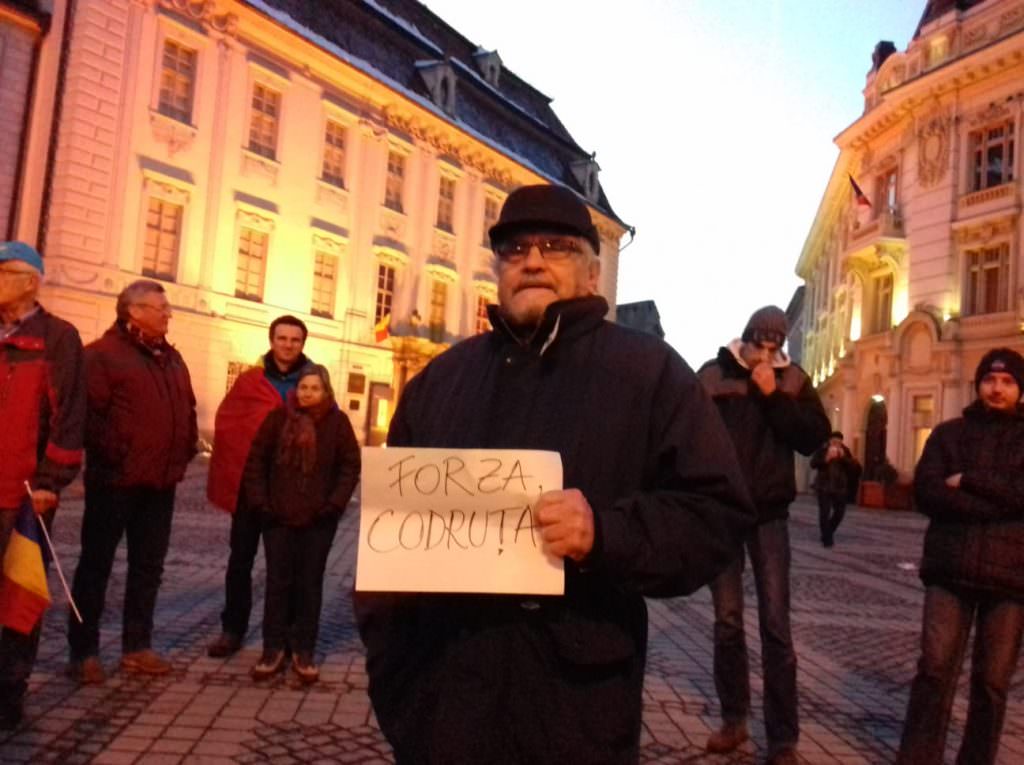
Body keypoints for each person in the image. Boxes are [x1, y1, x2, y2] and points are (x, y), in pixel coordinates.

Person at [355, 183, 755, 764]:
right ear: (498, 271)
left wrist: (605, 535)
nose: (533, 259)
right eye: (515, 249)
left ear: (593, 274)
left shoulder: (648, 374)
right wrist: (397, 680)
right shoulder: (440, 383)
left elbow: (715, 510)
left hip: (579, 712)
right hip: (443, 709)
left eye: (556, 246)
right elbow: (388, 547)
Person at [697, 306, 830, 765]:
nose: (767, 355)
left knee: (776, 625)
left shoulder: (793, 380)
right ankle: (734, 720)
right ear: (748, 338)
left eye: (776, 348)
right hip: (724, 513)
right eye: (761, 345)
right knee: (727, 622)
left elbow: (813, 437)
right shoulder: (712, 375)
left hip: (771, 514)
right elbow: (689, 434)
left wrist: (774, 397)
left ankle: (782, 740)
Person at [897, 348, 1024, 765]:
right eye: (990, 380)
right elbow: (928, 492)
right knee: (934, 672)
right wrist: (1000, 502)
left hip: (1010, 582)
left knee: (992, 683)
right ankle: (918, 758)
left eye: (1007, 382)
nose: (997, 389)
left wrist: (968, 481)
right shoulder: (949, 434)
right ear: (978, 385)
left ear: (1019, 389)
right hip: (950, 572)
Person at [67, 280, 197, 683]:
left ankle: (137, 646)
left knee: (148, 568)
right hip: (115, 480)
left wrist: (186, 446)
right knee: (96, 566)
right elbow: (88, 417)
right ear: (133, 311)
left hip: (161, 482)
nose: (168, 313)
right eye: (160, 307)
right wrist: (118, 452)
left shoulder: (172, 358)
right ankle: (83, 652)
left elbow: (187, 409)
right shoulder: (102, 356)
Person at [0, 242, 86, 729]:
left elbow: (69, 416)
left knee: (18, 598)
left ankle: (9, 695)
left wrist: (52, 481)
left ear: (30, 280)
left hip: (24, 496)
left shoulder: (57, 337)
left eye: (3, 271)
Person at [242, 364, 359, 683]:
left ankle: (303, 650)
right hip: (277, 516)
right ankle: (273, 648)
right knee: (278, 584)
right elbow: (256, 461)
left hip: (318, 520)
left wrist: (334, 504)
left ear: (326, 391)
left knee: (309, 585)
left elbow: (350, 465)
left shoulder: (338, 423)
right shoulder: (278, 418)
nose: (308, 393)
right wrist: (261, 504)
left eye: (315, 388)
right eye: (304, 387)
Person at [205, 315, 312, 658]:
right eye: (282, 338)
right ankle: (232, 629)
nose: (288, 345)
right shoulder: (251, 381)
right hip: (250, 489)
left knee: (287, 567)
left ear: (302, 344)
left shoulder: (312, 383)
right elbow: (229, 422)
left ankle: (284, 636)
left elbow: (327, 428)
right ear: (272, 340)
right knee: (241, 562)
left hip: (290, 491)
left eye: (295, 340)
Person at [810, 430, 860, 547]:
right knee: (824, 513)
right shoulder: (822, 450)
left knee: (839, 513)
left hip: (839, 487)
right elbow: (813, 463)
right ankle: (827, 539)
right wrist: (826, 459)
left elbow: (853, 467)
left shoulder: (845, 451)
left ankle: (828, 532)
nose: (837, 444)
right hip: (824, 486)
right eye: (834, 442)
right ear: (830, 441)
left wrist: (843, 458)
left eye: (839, 442)